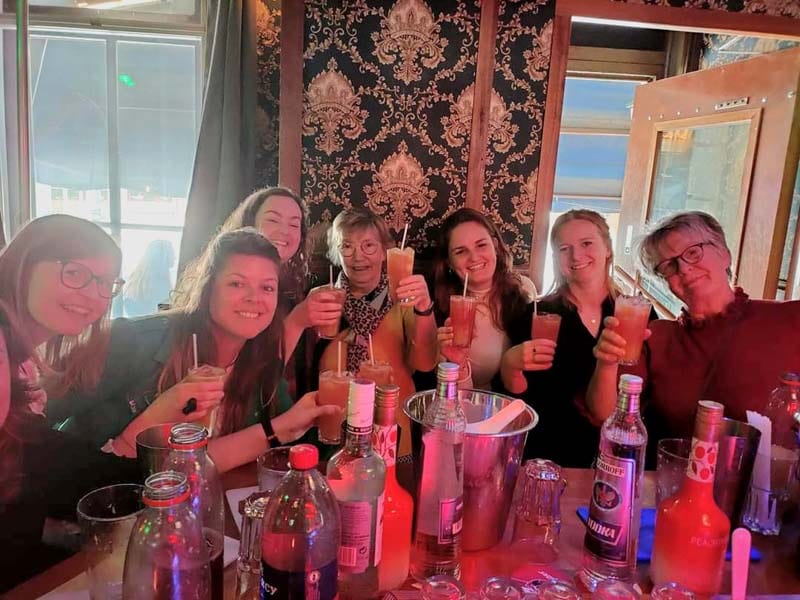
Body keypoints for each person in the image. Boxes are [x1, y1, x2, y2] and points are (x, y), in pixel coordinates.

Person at [48, 228, 339, 472]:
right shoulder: (133, 341)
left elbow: (196, 464)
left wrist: (303, 423)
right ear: (207, 288)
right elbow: (38, 420)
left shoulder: (260, 358)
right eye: (237, 283)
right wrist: (159, 414)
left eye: (267, 288)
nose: (254, 298)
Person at [0, 215, 140, 590]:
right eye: (75, 273)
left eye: (106, 283)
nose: (94, 295)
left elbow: (39, 457)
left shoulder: (23, 365)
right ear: (24, 265)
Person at [587, 211, 800, 449]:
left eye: (693, 253)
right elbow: (605, 414)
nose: (684, 269)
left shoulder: (790, 319)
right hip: (680, 470)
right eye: (669, 265)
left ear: (725, 254)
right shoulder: (656, 337)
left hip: (774, 473)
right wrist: (606, 363)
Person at [500, 210, 630, 466]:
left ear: (608, 249)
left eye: (586, 243)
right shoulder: (535, 315)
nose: (576, 256)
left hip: (620, 458)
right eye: (564, 248)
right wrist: (509, 365)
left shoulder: (634, 314)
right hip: (548, 457)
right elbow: (518, 400)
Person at [319, 207, 438, 455]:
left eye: (368, 246)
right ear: (336, 253)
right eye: (347, 246)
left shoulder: (404, 300)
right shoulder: (323, 298)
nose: (358, 256)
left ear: (385, 251)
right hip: (334, 424)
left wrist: (424, 307)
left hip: (392, 424)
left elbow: (426, 364)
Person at [220, 187, 342, 396]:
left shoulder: (296, 284)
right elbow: (246, 374)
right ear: (249, 224)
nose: (285, 231)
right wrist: (298, 320)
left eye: (294, 224)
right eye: (273, 220)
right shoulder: (230, 286)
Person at [433, 208, 535, 390]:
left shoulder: (523, 292)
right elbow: (448, 394)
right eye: (461, 251)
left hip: (506, 402)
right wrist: (452, 362)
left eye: (481, 245)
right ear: (449, 262)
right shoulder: (436, 306)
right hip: (457, 400)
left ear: (495, 246)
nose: (474, 257)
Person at [122, 239, 175, 317]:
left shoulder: (137, 281)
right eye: (172, 253)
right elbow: (164, 315)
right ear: (164, 256)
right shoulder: (161, 283)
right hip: (150, 321)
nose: (175, 257)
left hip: (137, 321)